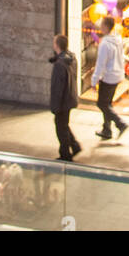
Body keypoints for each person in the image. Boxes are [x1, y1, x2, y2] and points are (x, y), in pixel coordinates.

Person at [91, 15, 128, 141]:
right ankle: (107, 129)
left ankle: (120, 123)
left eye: (101, 24)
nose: (100, 27)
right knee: (107, 103)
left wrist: (94, 80)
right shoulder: (117, 39)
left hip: (108, 76)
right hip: (117, 74)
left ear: (106, 27)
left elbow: (100, 64)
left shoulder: (105, 44)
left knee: (102, 104)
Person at [49, 33, 81, 161]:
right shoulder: (71, 58)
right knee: (64, 124)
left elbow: (58, 88)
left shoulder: (59, 65)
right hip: (70, 97)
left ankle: (65, 154)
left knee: (60, 126)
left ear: (56, 45)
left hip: (63, 101)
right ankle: (74, 145)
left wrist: (55, 106)